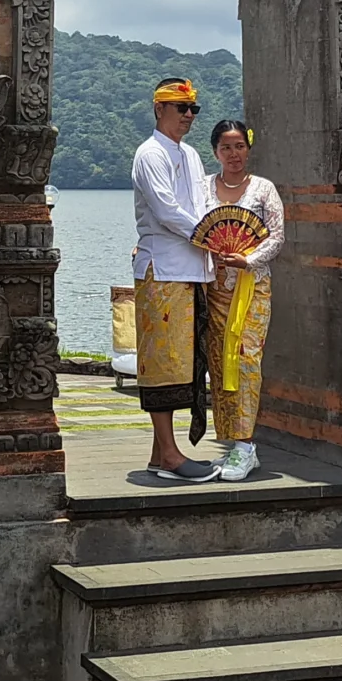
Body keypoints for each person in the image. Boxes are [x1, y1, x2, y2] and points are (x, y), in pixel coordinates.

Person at [131, 75, 217, 482]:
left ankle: (159, 452)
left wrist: (216, 232)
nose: (188, 116)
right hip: (163, 268)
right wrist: (211, 234)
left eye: (193, 109)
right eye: (180, 108)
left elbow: (202, 203)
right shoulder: (150, 154)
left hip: (193, 268)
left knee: (186, 362)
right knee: (163, 362)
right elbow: (167, 211)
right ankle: (169, 454)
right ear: (159, 108)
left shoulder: (193, 156)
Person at [202, 118, 284, 483]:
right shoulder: (204, 187)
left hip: (252, 286)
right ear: (216, 151)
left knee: (247, 359)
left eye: (239, 146)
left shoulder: (263, 189)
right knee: (220, 361)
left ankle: (247, 445)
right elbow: (193, 231)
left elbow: (276, 237)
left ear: (248, 148)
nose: (233, 154)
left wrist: (247, 259)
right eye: (226, 147)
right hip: (215, 288)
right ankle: (231, 442)